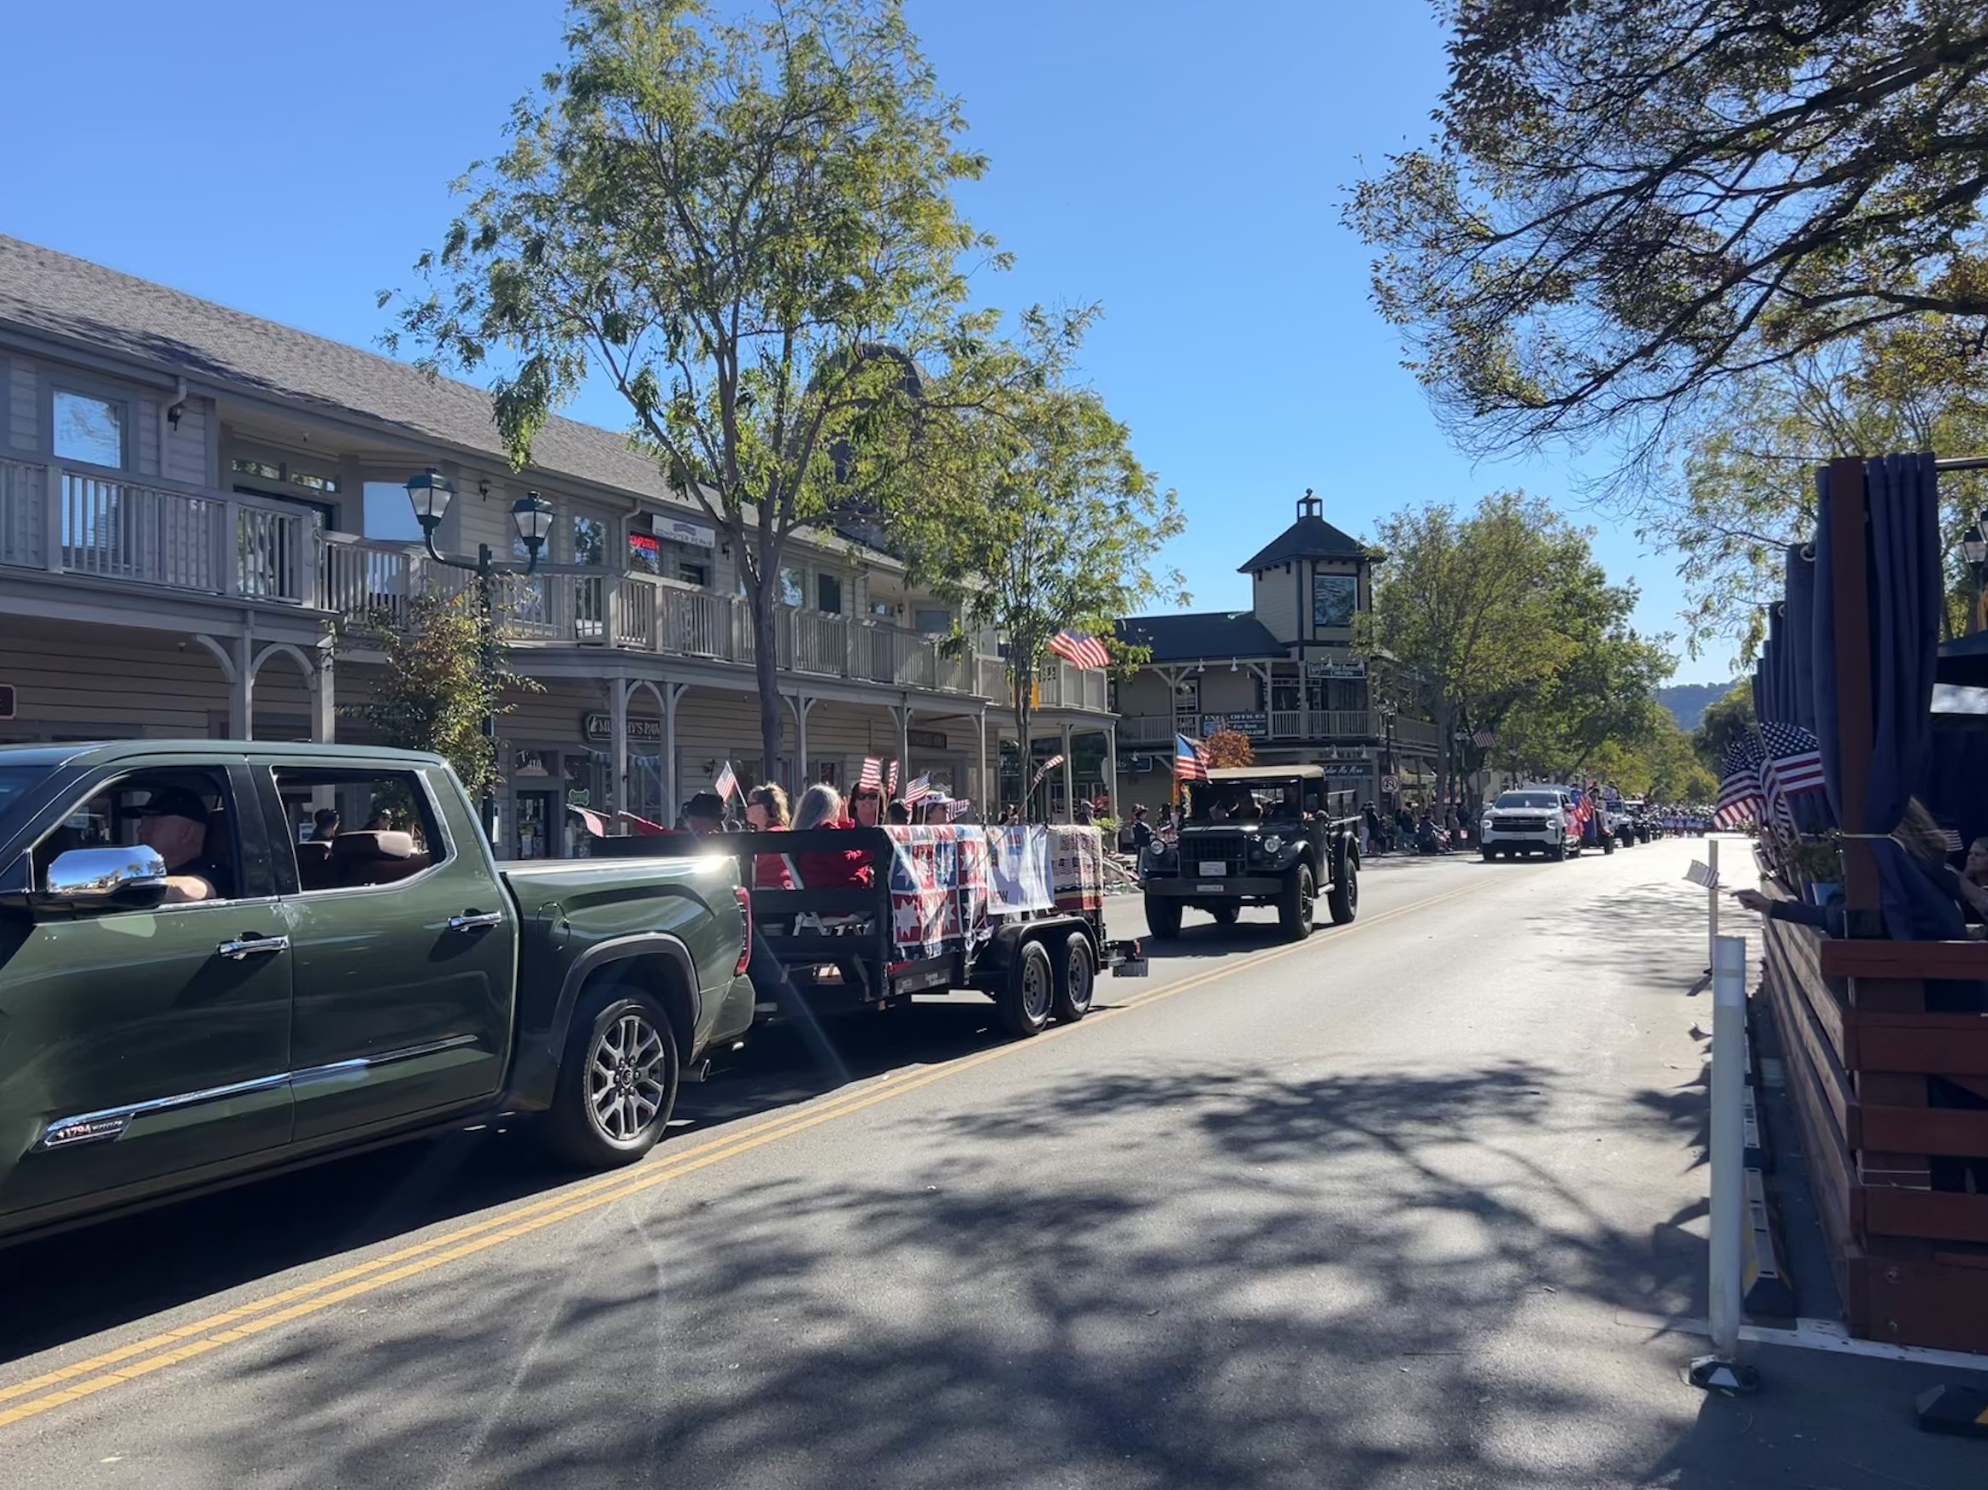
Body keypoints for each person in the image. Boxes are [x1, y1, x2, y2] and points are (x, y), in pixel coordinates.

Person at [135, 786, 227, 903]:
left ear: (186, 833)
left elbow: (193, 889)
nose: (140, 830)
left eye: (153, 824)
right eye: (142, 823)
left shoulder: (213, 872)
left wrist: (129, 886)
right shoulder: (152, 869)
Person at [792, 783, 873, 888]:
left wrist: (844, 825)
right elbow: (847, 862)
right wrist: (869, 851)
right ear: (830, 808)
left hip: (821, 892)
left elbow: (839, 855)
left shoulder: (807, 832)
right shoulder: (826, 830)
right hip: (839, 894)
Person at [744, 784, 794, 890]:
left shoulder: (774, 834)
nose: (746, 808)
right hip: (766, 890)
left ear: (760, 807)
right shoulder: (774, 831)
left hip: (772, 892)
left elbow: (751, 865)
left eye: (749, 804)